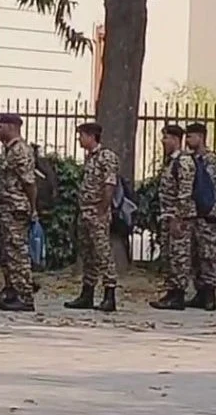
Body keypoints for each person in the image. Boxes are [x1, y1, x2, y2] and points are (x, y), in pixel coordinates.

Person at [64, 122, 120, 312]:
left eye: (81, 135)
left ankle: (109, 294)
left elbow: (109, 184)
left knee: (103, 253)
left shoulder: (106, 157)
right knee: (88, 255)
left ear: (91, 136)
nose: (79, 139)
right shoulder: (90, 158)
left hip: (97, 213)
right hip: (85, 212)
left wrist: (103, 209)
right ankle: (87, 293)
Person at [0, 113, 38, 312]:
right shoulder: (9, 150)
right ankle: (11, 290)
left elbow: (29, 183)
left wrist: (32, 207)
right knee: (8, 253)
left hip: (17, 207)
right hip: (7, 207)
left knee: (18, 253)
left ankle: (25, 295)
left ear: (11, 127)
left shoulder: (20, 151)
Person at [149, 124, 193, 310]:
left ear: (175, 140)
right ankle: (171, 291)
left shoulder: (184, 162)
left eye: (166, 138)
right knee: (169, 255)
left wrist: (178, 217)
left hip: (178, 217)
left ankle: (179, 295)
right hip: (167, 215)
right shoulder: (171, 162)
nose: (163, 142)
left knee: (179, 256)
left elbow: (185, 192)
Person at [180, 122, 216, 311]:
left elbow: (207, 185)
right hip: (193, 211)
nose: (187, 140)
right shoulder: (190, 159)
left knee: (207, 252)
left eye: (191, 136)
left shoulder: (210, 159)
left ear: (201, 137)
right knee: (195, 253)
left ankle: (210, 293)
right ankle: (199, 292)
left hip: (207, 211)